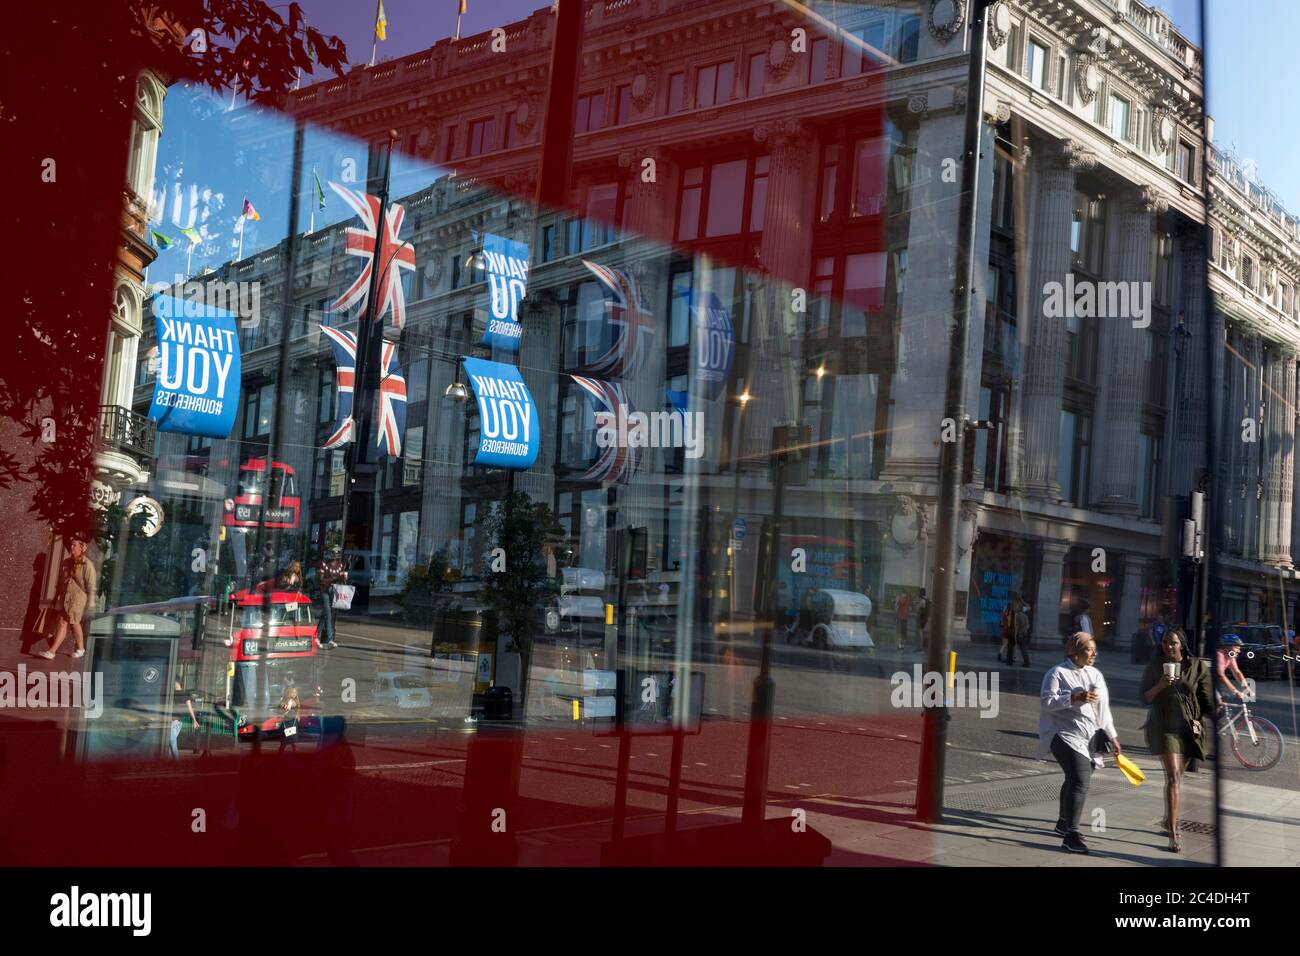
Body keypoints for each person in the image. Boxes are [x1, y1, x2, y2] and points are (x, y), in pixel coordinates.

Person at [1038, 633, 1120, 855]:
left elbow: (1104, 710)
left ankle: (1063, 822)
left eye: (1095, 649)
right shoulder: (1057, 673)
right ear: (1074, 650)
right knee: (1080, 779)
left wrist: (1112, 736)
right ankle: (1071, 835)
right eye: (1088, 649)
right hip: (1062, 734)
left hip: (1090, 737)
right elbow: (1046, 703)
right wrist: (1074, 698)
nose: (1094, 653)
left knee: (1076, 777)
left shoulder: (1096, 674)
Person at [1139, 628, 1215, 853]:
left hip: (1190, 729)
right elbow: (1145, 697)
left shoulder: (1197, 666)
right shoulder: (1155, 666)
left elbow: (1206, 700)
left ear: (1181, 644)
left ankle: (1166, 819)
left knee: (1177, 779)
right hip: (1165, 729)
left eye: (1173, 643)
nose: (1168, 646)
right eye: (1165, 642)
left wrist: (1214, 712)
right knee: (1173, 777)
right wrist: (1161, 685)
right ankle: (1173, 833)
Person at [36, 537, 97, 660]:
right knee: (69, 623)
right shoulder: (66, 562)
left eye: (75, 545)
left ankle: (53, 651)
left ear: (81, 548)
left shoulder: (87, 565)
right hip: (65, 597)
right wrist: (55, 597)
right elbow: (60, 582)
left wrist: (91, 602)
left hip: (78, 598)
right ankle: (79, 649)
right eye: (71, 545)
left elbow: (91, 585)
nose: (72, 547)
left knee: (70, 622)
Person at [316, 548, 346, 650]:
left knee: (326, 614)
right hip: (325, 591)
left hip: (334, 591)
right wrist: (335, 578)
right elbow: (321, 580)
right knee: (328, 614)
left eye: (336, 553)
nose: (334, 555)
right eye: (333, 553)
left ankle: (316, 636)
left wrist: (344, 577)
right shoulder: (324, 564)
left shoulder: (340, 565)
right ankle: (329, 640)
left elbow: (342, 580)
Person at [169, 677, 200, 759]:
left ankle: (176, 761)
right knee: (170, 743)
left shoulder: (172, 693)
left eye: (174, 682)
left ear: (177, 683)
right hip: (178, 722)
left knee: (172, 742)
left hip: (174, 722)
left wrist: (194, 720)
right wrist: (194, 720)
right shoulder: (184, 694)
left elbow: (189, 707)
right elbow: (189, 707)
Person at [1214, 633, 1250, 702]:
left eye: (1239, 648)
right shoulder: (1219, 654)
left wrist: (1246, 687)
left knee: (1224, 701)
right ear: (1227, 647)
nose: (1239, 651)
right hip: (1204, 680)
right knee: (1218, 702)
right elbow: (1221, 675)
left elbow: (1237, 672)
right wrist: (1235, 691)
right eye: (1236, 648)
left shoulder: (1230, 657)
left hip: (1214, 682)